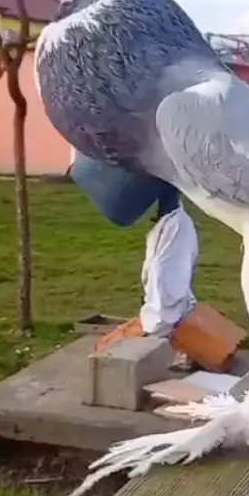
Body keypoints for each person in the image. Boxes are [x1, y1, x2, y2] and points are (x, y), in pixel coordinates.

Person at [70, 152, 197, 368]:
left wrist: (145, 329)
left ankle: (173, 347)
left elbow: (163, 293)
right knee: (161, 277)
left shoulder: (171, 231)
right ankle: (174, 341)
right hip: (169, 314)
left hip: (164, 324)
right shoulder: (173, 224)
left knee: (161, 277)